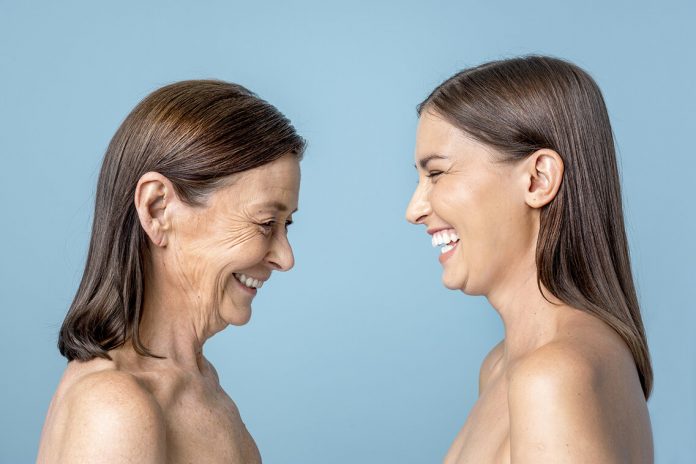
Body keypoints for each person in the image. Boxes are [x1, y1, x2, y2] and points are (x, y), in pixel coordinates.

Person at [37, 80, 305, 463]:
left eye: (286, 224)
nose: (285, 257)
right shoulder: (114, 409)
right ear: (157, 208)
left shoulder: (201, 385)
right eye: (265, 223)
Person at [406, 56, 653, 463]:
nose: (414, 210)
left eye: (436, 174)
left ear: (538, 179)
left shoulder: (553, 376)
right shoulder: (501, 367)